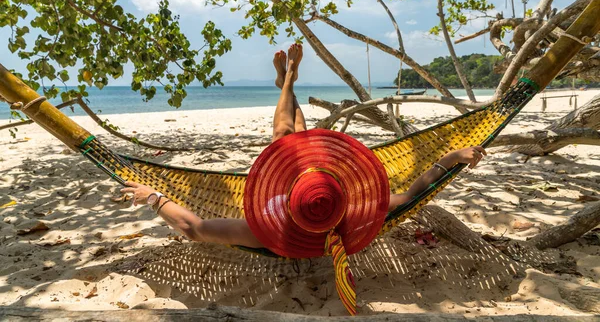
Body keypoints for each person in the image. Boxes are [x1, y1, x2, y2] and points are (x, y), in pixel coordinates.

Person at [122, 43, 487, 249]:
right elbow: (410, 197)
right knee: (298, 142)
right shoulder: (352, 211)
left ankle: (286, 83)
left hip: (291, 200)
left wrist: (153, 196)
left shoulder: (264, 229)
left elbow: (194, 227)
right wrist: (449, 157)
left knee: (285, 140)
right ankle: (287, 82)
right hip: (315, 192)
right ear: (340, 192)